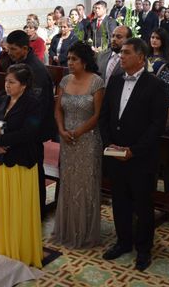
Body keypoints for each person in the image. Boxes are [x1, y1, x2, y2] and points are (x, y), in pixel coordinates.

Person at [99, 38, 168, 272]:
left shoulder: (155, 85)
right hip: (115, 153)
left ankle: (144, 249)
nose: (121, 56)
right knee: (120, 202)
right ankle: (123, 241)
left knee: (143, 204)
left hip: (141, 157)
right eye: (121, 53)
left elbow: (157, 125)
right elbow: (105, 116)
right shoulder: (116, 81)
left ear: (141, 57)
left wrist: (134, 150)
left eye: (126, 53)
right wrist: (110, 144)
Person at [0, 64, 43, 267]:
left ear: (24, 85)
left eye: (12, 82)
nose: (7, 85)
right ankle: (5, 249)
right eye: (6, 81)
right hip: (5, 161)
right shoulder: (4, 99)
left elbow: (30, 132)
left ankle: (21, 251)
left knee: (20, 209)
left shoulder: (33, 103)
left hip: (22, 161)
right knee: (5, 207)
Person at [52, 42, 105, 248]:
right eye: (69, 59)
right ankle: (67, 228)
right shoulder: (65, 81)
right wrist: (62, 130)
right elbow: (58, 109)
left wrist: (78, 132)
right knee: (69, 182)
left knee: (85, 185)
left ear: (84, 61)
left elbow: (98, 115)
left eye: (74, 59)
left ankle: (85, 232)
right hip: (67, 139)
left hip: (88, 140)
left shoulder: (96, 83)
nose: (70, 63)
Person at [6, 30, 56, 216]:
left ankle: (37, 211)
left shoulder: (36, 71)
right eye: (8, 48)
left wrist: (24, 130)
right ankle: (25, 209)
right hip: (22, 129)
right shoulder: (20, 65)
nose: (10, 52)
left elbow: (37, 107)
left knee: (34, 171)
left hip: (33, 132)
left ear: (25, 49)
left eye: (13, 49)